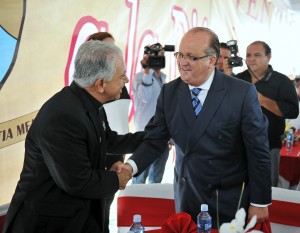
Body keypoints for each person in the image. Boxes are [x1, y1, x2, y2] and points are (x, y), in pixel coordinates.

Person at [118, 27, 272, 228]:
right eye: (180, 55)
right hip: (187, 195)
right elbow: (154, 140)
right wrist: (131, 167)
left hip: (227, 199)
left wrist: (259, 201)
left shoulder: (241, 93)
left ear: (211, 60)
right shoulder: (170, 92)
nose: (183, 62)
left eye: (191, 56)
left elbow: (258, 149)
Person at [2, 40, 144, 233]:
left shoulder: (87, 102)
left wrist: (153, 138)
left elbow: (107, 140)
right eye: (121, 75)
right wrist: (116, 178)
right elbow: (78, 181)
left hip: (79, 217)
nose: (126, 80)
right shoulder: (63, 116)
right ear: (101, 83)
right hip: (49, 225)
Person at [236, 41, 299, 187]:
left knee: (267, 191)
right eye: (248, 55)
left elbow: (293, 111)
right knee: (238, 191)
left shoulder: (282, 81)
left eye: (257, 55)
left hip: (268, 146)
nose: (251, 59)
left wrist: (263, 100)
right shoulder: (238, 79)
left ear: (268, 57)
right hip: (238, 146)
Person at [87, 31, 130, 233]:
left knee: (105, 214)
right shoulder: (77, 108)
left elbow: (116, 131)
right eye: (108, 49)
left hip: (115, 157)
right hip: (98, 169)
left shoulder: (118, 87)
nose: (126, 79)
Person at [131, 43, 170, 184]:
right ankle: (134, 206)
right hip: (144, 134)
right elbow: (145, 98)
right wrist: (147, 70)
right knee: (139, 178)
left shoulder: (164, 79)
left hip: (162, 134)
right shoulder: (140, 77)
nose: (158, 60)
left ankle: (152, 206)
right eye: (155, 56)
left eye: (161, 56)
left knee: (156, 179)